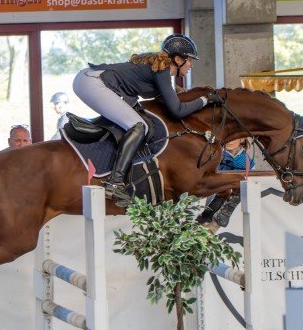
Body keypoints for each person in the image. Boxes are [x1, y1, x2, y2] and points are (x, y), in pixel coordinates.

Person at [72, 33, 224, 207]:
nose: (191, 65)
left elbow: (171, 98)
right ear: (177, 59)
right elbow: (177, 111)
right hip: (92, 82)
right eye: (189, 60)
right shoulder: (163, 69)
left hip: (89, 79)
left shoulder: (161, 69)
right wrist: (205, 100)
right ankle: (115, 182)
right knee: (138, 126)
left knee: (137, 122)